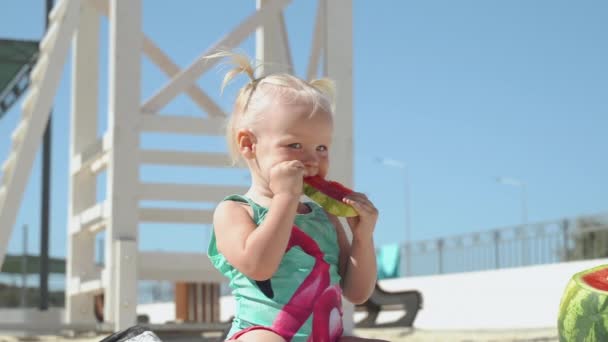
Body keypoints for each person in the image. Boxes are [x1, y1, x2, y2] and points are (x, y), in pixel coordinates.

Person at [207, 52, 384, 342]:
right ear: (249, 144)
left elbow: (357, 293)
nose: (312, 159)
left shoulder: (324, 217)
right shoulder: (235, 211)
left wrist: (363, 239)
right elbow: (260, 266)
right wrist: (285, 199)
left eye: (322, 148)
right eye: (295, 145)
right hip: (262, 332)